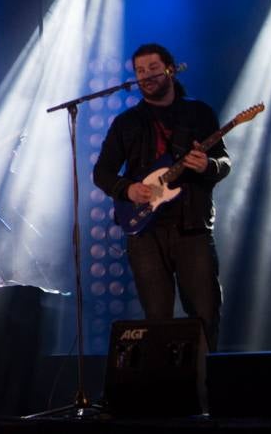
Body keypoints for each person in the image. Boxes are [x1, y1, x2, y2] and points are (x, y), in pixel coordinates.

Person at [92, 44, 231, 350]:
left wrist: (207, 165)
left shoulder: (198, 113)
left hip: (191, 228)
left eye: (153, 68)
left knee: (205, 314)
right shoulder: (127, 122)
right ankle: (163, 392)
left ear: (170, 68)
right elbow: (102, 173)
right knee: (157, 319)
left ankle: (205, 389)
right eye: (140, 71)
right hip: (145, 232)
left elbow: (224, 164)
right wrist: (128, 189)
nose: (146, 76)